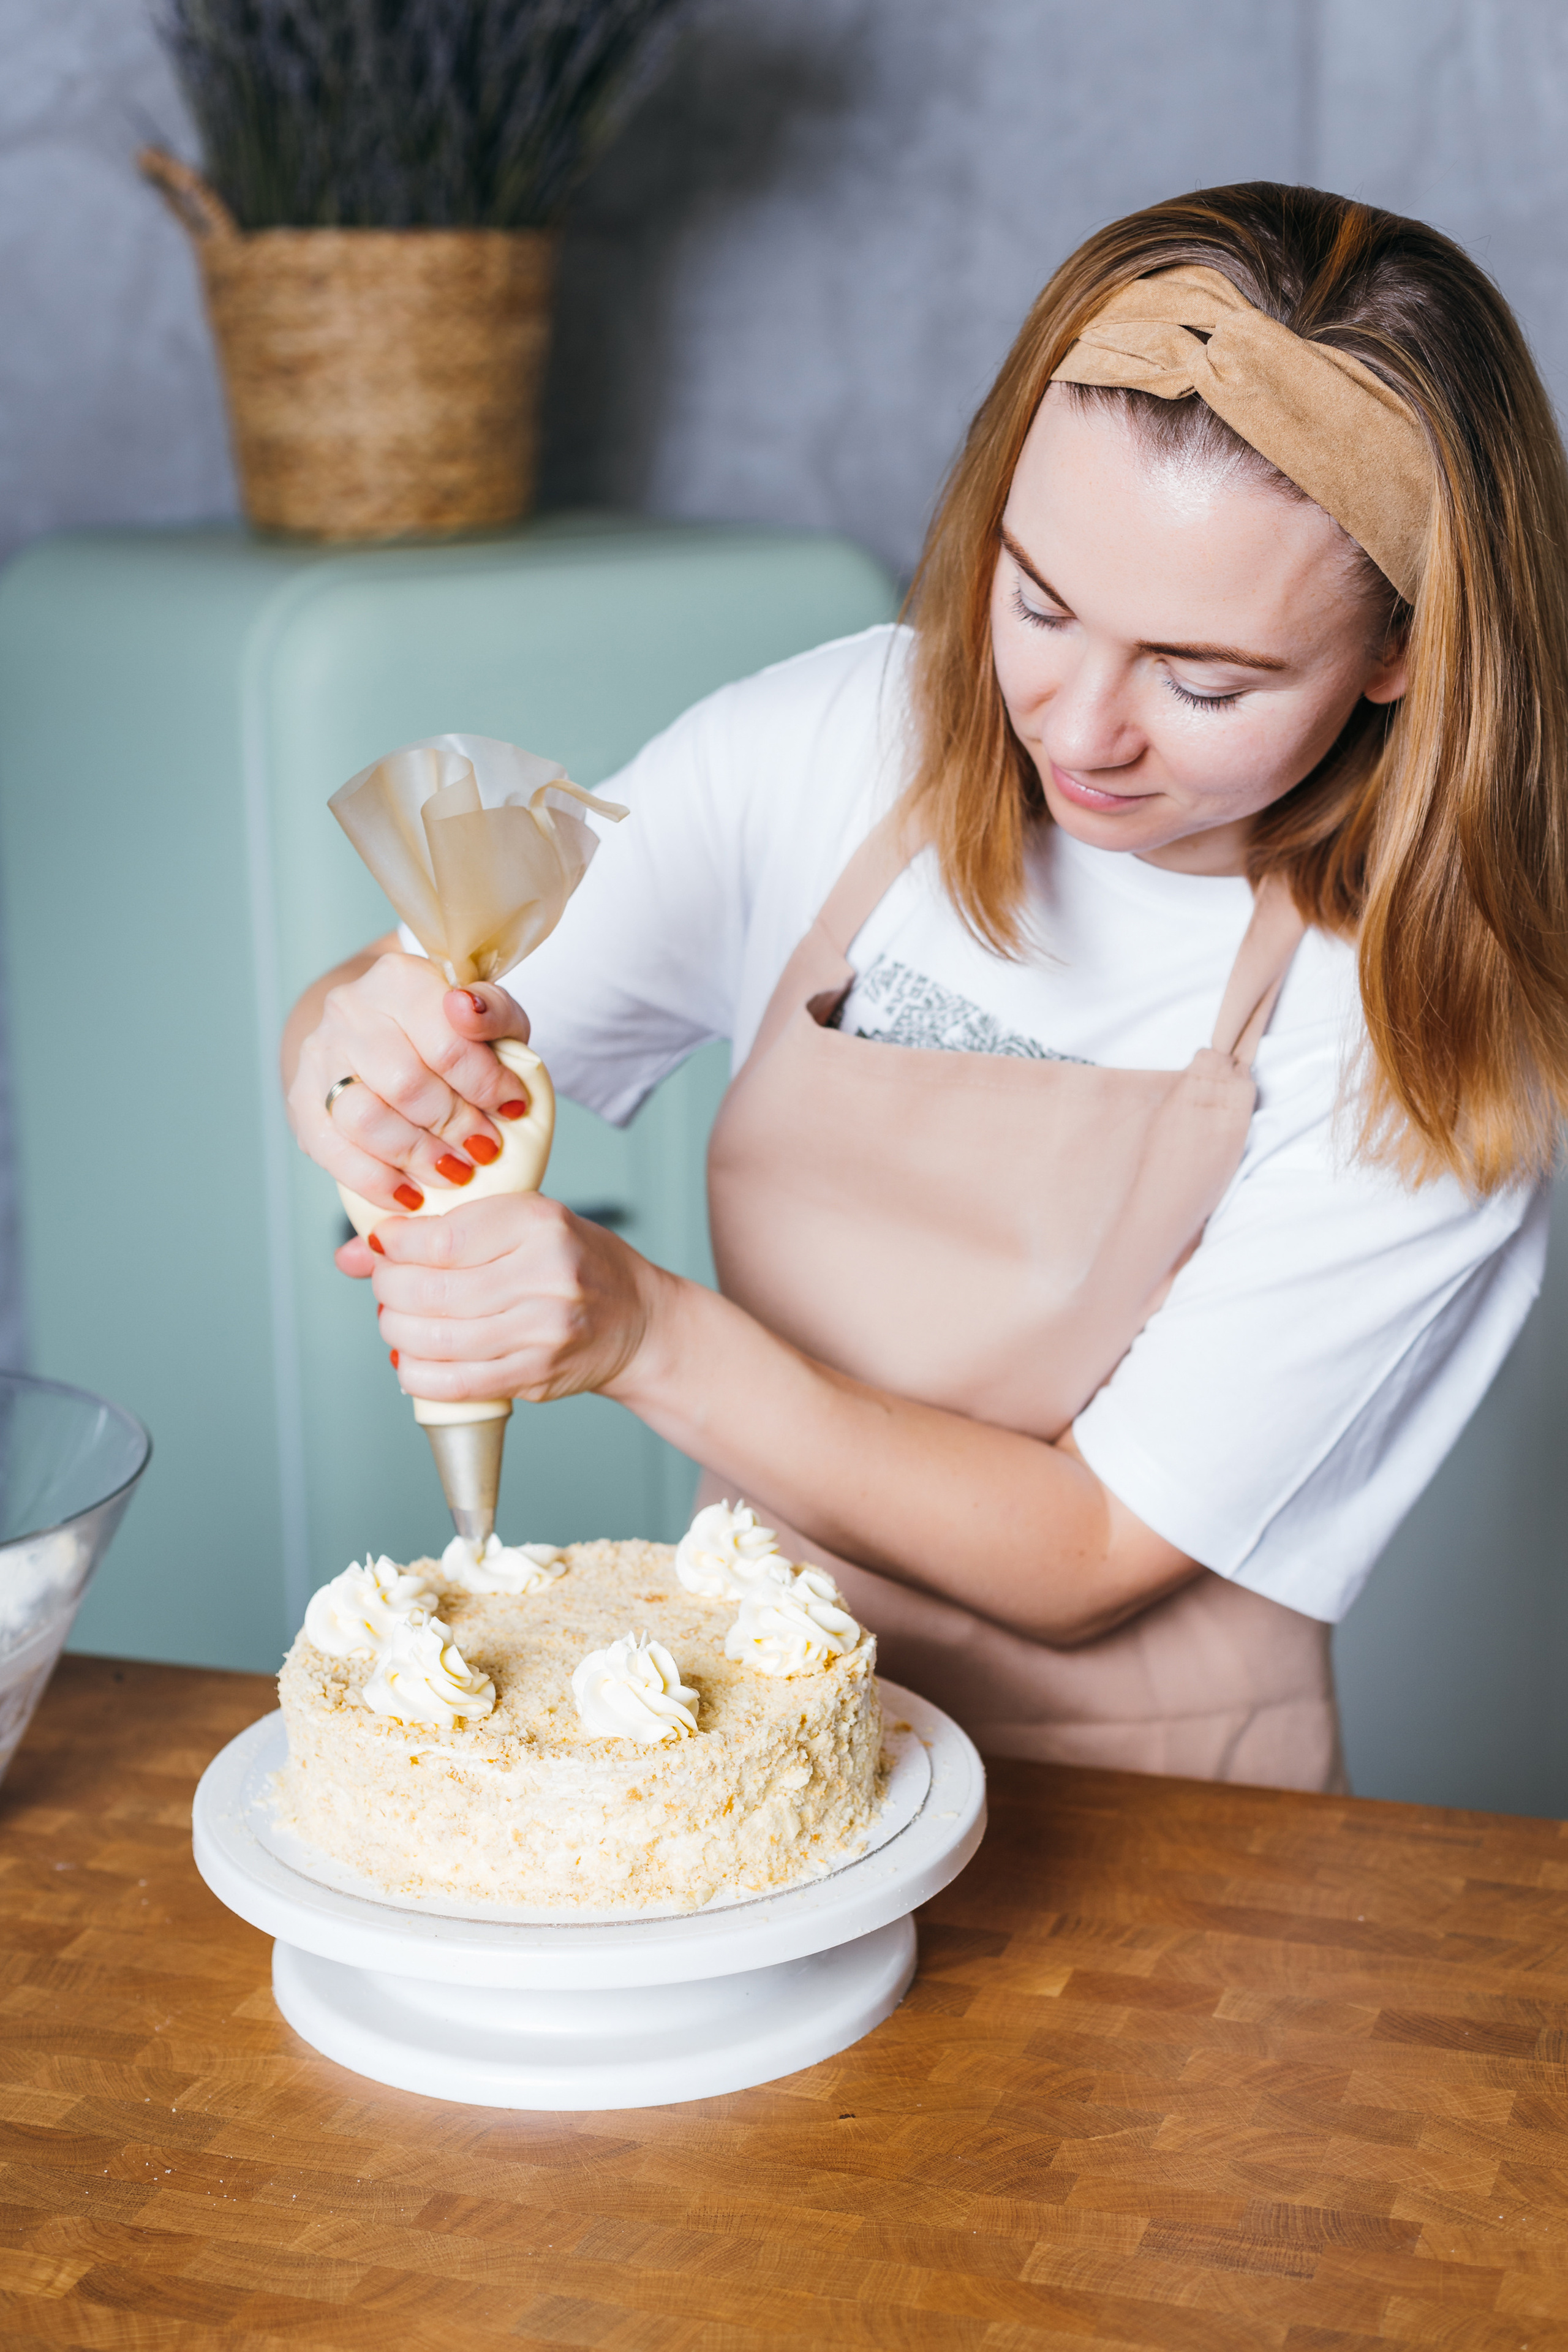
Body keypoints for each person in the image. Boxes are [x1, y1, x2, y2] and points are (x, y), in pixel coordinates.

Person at [281, 183, 1568, 1789]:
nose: (1078, 726)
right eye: (1037, 599)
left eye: (1204, 678)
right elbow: (427, 1040)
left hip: (1160, 1844)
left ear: (1406, 650)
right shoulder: (843, 744)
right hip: (744, 1760)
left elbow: (1085, 1551)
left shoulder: (1432, 1036)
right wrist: (356, 1043)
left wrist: (643, 1338)